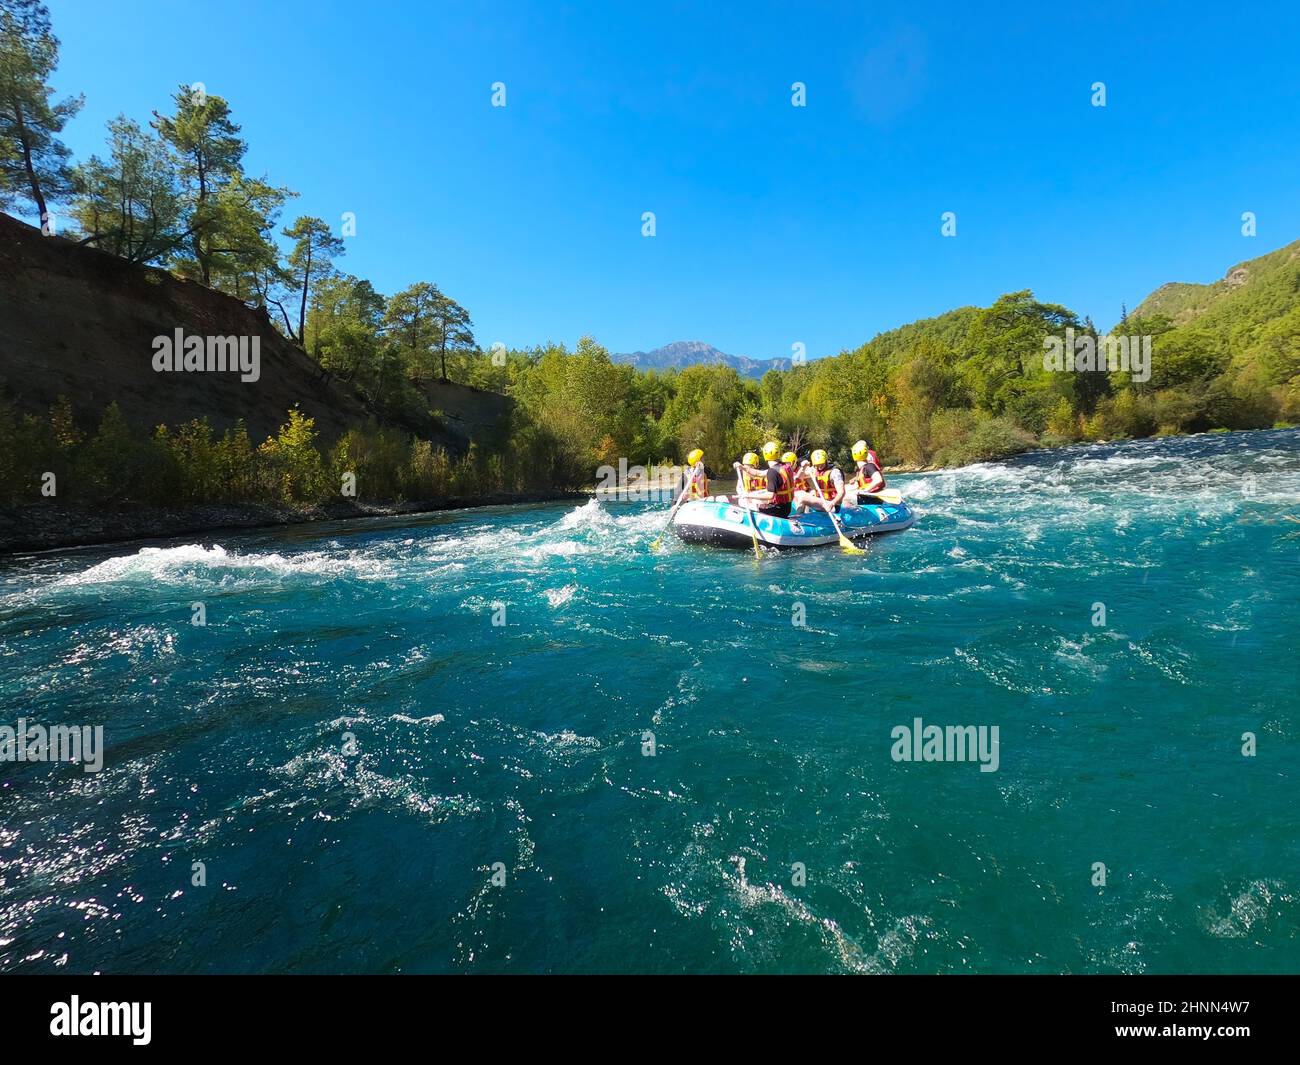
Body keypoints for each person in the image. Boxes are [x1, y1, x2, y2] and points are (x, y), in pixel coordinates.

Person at [736, 441, 793, 517]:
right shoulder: (784, 467)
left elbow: (770, 496)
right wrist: (743, 468)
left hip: (777, 512)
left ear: (765, 455)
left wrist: (748, 496)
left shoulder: (772, 472)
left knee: (745, 499)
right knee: (753, 496)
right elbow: (759, 473)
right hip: (786, 508)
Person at [794, 448, 845, 514]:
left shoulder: (835, 473)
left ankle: (798, 519)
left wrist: (832, 503)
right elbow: (799, 478)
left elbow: (842, 492)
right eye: (817, 465)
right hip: (822, 502)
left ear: (826, 461)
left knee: (803, 498)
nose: (820, 467)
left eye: (822, 464)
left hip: (831, 506)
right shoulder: (814, 470)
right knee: (800, 493)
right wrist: (803, 467)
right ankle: (802, 517)